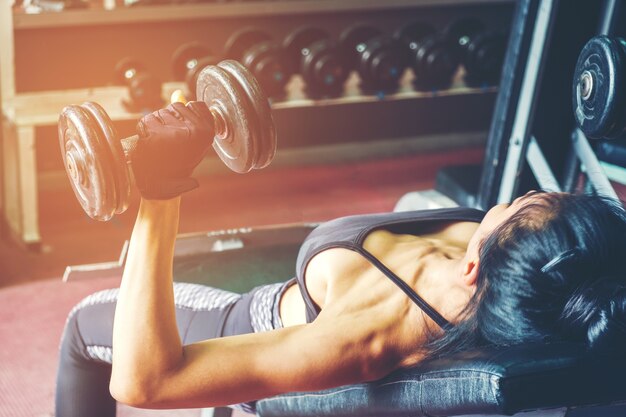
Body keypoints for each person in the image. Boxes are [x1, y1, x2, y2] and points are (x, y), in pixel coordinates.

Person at [55, 102, 626, 417]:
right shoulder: (552, 288)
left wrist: (161, 188)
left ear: (473, 267)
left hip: (251, 331)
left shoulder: (372, 331)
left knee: (84, 324)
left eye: (529, 207)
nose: (531, 193)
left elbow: (144, 382)